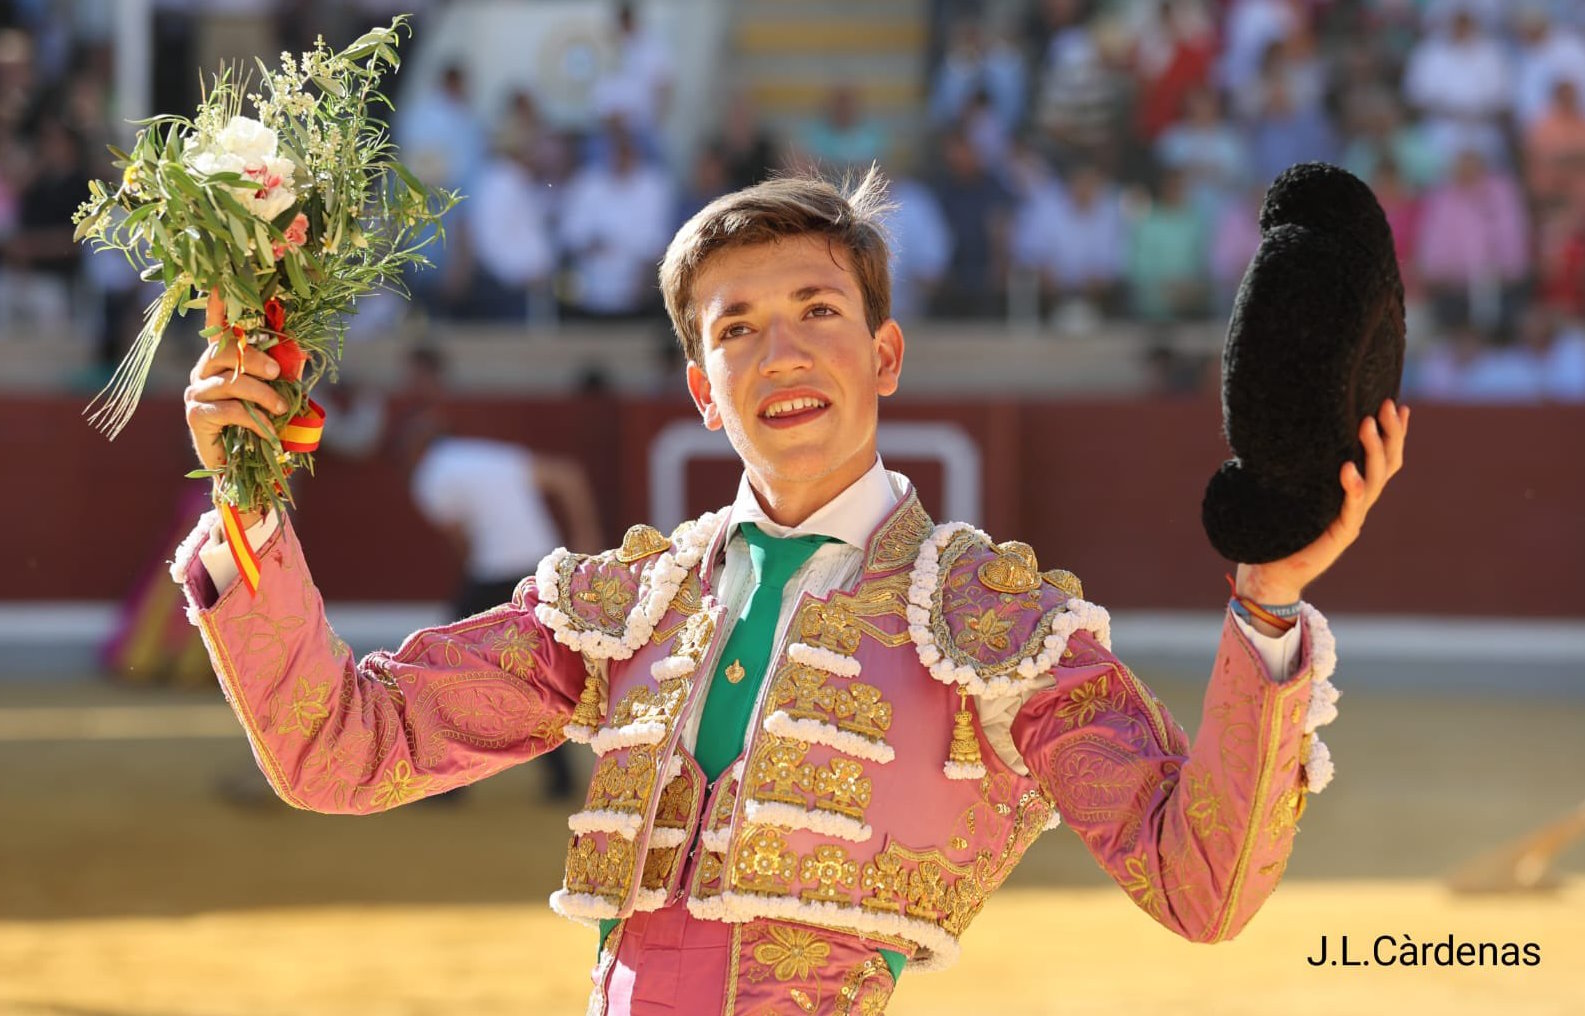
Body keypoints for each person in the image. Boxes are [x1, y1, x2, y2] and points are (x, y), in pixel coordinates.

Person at [175, 170, 1409, 1013]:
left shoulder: (994, 625)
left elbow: (1197, 881)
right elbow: (341, 749)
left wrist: (1266, 610)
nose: (780, 352)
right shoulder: (626, 601)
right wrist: (247, 495)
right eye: (736, 329)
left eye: (817, 310)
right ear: (704, 390)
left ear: (882, 356)